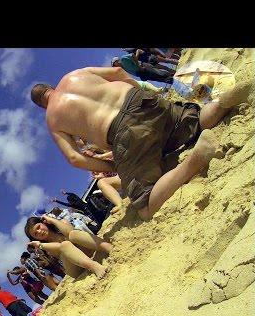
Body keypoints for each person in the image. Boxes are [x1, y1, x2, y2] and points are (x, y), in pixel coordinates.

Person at [30, 66, 250, 221]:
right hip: (139, 100)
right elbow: (117, 72)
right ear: (50, 86)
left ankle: (196, 159)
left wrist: (113, 167)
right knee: (193, 121)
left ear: (42, 105)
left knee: (144, 205)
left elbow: (74, 158)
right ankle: (222, 104)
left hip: (123, 132)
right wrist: (139, 91)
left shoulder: (53, 118)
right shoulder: (74, 75)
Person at [25, 214, 112, 279]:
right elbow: (60, 247)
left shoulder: (61, 223)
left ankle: (108, 247)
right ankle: (94, 266)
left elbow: (69, 231)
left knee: (73, 234)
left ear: (43, 222)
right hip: (76, 268)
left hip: (86, 250)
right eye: (35, 234)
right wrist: (40, 245)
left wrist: (52, 220)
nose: (39, 231)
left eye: (38, 227)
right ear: (35, 238)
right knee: (65, 245)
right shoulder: (45, 247)